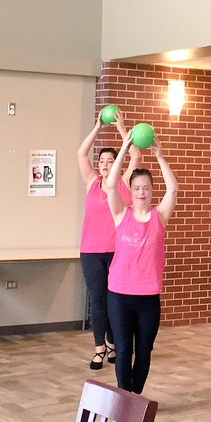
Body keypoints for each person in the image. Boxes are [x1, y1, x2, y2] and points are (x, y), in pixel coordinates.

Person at [104, 129, 177, 394]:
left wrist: (159, 156)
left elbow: (174, 188)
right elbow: (111, 185)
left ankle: (136, 398)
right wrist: (124, 148)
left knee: (144, 351)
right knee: (123, 350)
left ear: (151, 190)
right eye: (137, 188)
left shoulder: (160, 216)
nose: (142, 192)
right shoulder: (120, 214)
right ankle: (125, 399)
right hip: (119, 296)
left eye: (146, 188)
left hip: (148, 297)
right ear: (131, 191)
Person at [77, 113, 139, 369]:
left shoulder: (123, 183)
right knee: (98, 301)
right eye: (101, 161)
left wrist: (123, 128)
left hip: (118, 252)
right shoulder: (92, 183)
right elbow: (81, 153)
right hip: (91, 252)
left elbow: (135, 156)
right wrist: (97, 127)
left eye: (110, 160)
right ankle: (99, 348)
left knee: (116, 300)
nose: (104, 164)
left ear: (116, 164)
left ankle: (114, 343)